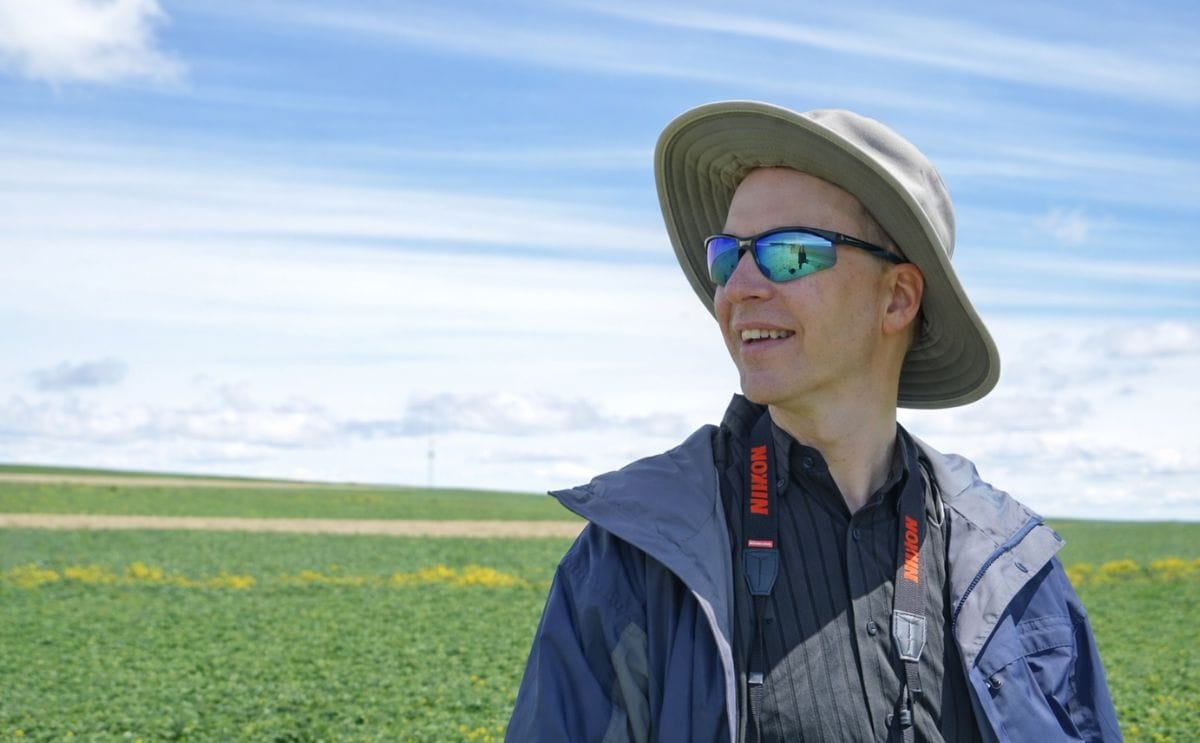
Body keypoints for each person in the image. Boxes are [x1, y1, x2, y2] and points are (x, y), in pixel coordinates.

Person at [506, 101, 1121, 742]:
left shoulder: (1010, 567)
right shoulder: (634, 560)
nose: (736, 286)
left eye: (789, 254)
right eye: (727, 255)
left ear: (897, 298)